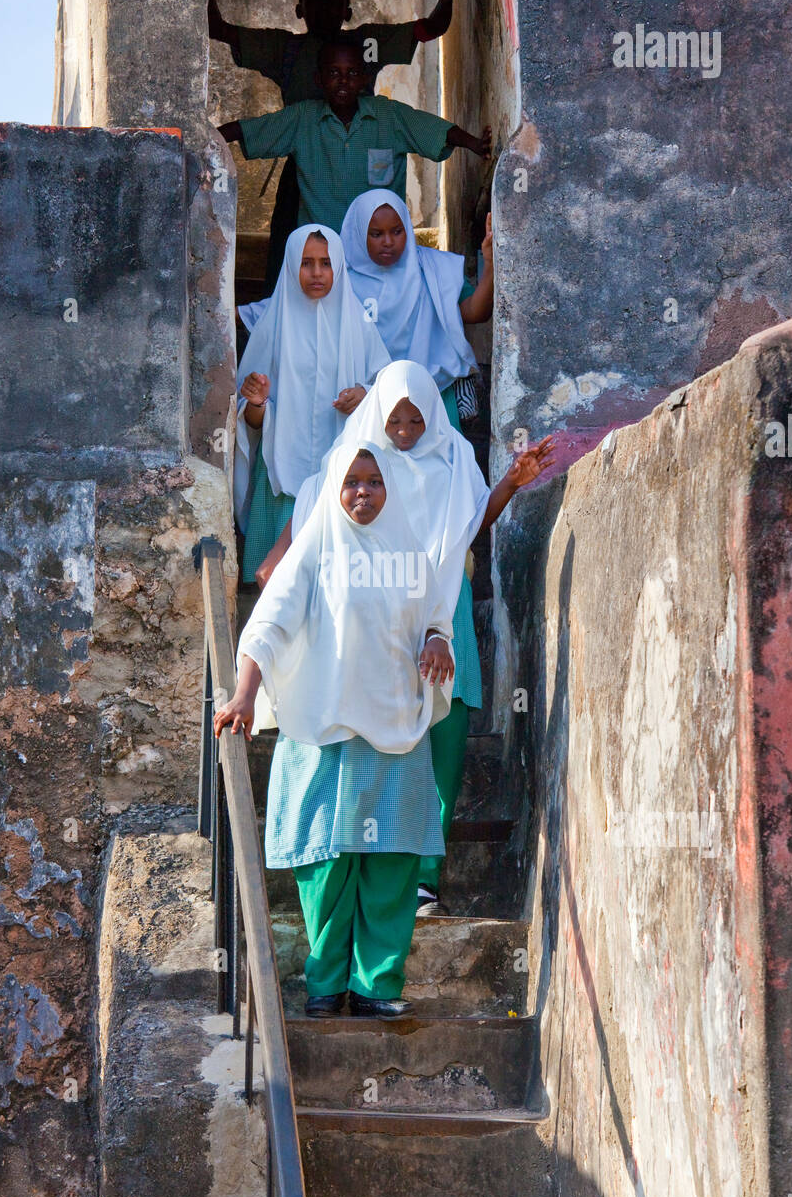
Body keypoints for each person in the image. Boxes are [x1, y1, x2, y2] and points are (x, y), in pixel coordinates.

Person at [271, 361, 555, 915]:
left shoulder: (453, 457)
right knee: (380, 734)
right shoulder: (360, 463)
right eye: (394, 417)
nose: (404, 428)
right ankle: (371, 864)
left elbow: (474, 523)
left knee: (445, 734)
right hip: (377, 609)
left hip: (442, 601)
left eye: (415, 418)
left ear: (432, 415)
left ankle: (426, 875)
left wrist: (512, 484)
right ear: (378, 412)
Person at [214, 440, 455, 1018]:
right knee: (326, 866)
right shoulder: (315, 550)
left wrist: (437, 642)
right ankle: (324, 985)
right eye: (352, 482)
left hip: (395, 732)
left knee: (392, 864)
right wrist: (245, 693)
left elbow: (433, 619)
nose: (363, 492)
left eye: (374, 481)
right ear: (333, 488)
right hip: (325, 736)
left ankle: (377, 987)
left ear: (391, 488)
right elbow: (268, 624)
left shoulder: (410, 554)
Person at [208, 0, 454, 292]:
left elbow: (429, 29)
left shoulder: (368, 42)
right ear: (299, 10)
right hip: (307, 166)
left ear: (347, 11)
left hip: (362, 159)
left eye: (332, 2)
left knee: (372, 250)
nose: (324, 8)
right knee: (290, 252)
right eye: (316, 1)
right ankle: (284, 320)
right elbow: (219, 30)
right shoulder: (283, 49)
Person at [233, 223, 389, 584]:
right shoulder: (271, 328)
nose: (317, 272)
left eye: (325, 262)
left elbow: (386, 389)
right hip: (284, 472)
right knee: (279, 586)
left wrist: (365, 394)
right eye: (306, 263)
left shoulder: (360, 325)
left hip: (344, 468)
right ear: (290, 266)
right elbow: (251, 421)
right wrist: (255, 403)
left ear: (339, 267)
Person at [217, 38, 492, 236]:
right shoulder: (302, 119)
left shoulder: (388, 115)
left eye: (352, 73)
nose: (344, 80)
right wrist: (203, 141)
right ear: (318, 79)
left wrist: (476, 145)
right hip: (322, 250)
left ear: (364, 80)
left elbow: (436, 130)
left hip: (378, 250)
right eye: (334, 73)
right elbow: (248, 129)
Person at [340, 190, 495, 425]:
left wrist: (491, 264)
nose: (388, 241)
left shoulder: (436, 269)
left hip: (434, 393)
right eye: (376, 234)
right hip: (364, 402)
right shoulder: (340, 282)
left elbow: (475, 312)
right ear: (358, 234)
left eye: (397, 231)